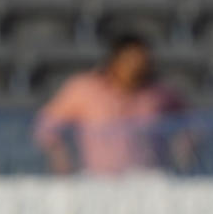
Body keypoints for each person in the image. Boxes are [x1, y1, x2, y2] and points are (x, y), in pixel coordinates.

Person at [34, 33, 190, 175]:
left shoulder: (160, 94)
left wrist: (182, 151)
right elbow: (46, 126)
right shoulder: (85, 90)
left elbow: (192, 124)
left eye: (142, 62)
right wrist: (61, 159)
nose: (136, 68)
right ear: (115, 60)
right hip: (99, 181)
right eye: (130, 61)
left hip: (148, 181)